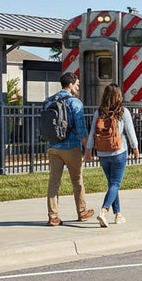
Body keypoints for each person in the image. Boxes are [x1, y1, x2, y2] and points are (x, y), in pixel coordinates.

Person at [84, 83, 139, 227]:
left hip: (102, 153)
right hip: (118, 152)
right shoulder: (123, 112)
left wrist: (88, 149)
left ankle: (118, 214)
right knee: (115, 184)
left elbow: (92, 133)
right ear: (118, 96)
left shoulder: (99, 112)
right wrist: (135, 147)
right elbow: (130, 131)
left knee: (112, 185)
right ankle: (104, 210)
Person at [45, 72, 96, 226]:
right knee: (77, 180)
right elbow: (81, 128)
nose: (78, 87)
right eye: (77, 85)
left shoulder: (48, 101)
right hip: (71, 147)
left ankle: (53, 216)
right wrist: (87, 148)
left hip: (53, 146)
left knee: (54, 182)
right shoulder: (75, 103)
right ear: (71, 84)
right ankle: (82, 212)